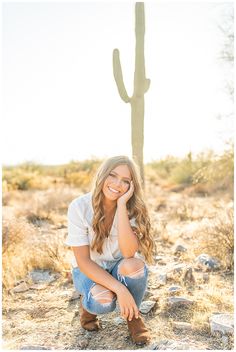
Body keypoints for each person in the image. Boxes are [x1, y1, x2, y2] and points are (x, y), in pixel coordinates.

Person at [65, 155, 154, 345]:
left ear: (131, 186)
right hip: (88, 270)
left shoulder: (133, 208)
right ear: (102, 175)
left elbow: (129, 253)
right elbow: (83, 261)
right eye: (112, 176)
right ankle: (88, 308)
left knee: (135, 266)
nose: (117, 184)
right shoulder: (79, 207)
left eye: (125, 181)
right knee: (103, 301)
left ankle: (134, 319)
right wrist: (120, 289)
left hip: (118, 266)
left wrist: (121, 206)